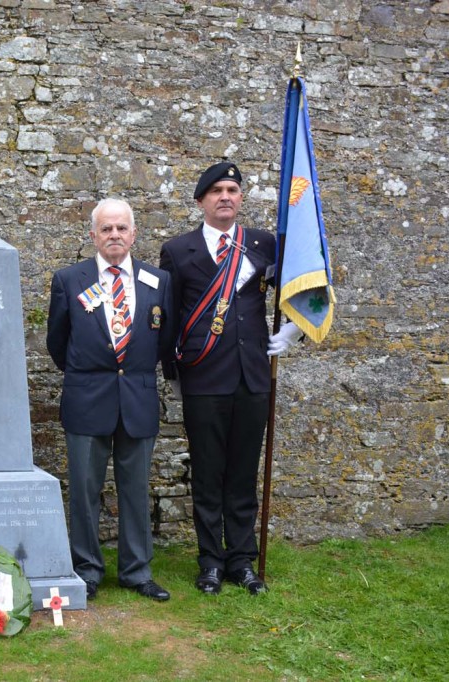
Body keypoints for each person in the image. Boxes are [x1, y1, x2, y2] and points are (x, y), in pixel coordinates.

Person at [159, 161, 300, 596]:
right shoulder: (178, 250)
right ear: (201, 200)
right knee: (207, 473)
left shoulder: (261, 243)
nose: (226, 197)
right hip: (203, 378)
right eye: (217, 190)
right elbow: (170, 317)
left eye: (233, 190)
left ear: (240, 198)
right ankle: (210, 563)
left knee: (242, 473)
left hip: (252, 376)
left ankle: (241, 561)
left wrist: (293, 328)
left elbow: (299, 280)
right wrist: (173, 373)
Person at [46, 198, 175, 602]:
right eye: (106, 229)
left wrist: (132, 373)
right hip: (87, 400)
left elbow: (164, 341)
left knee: (135, 490)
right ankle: (86, 569)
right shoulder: (69, 280)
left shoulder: (159, 281)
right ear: (93, 236)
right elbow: (57, 343)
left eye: (121, 228)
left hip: (137, 398)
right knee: (84, 491)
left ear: (133, 234)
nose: (114, 235)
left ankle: (137, 571)